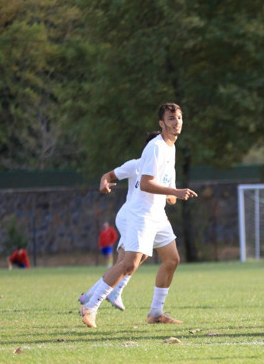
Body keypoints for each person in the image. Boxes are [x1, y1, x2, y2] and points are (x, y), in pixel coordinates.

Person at [78, 103, 198, 328]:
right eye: (171, 118)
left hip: (157, 216)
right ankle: (90, 307)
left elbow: (166, 189)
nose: (177, 122)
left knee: (172, 259)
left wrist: (174, 196)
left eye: (180, 117)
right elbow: (145, 184)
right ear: (161, 123)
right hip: (140, 214)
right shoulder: (155, 147)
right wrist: (175, 192)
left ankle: (155, 313)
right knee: (129, 264)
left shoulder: (171, 148)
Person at [86, 131, 161, 311]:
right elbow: (108, 175)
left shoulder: (163, 167)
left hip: (148, 217)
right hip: (132, 216)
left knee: (131, 261)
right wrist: (104, 183)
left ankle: (92, 294)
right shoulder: (135, 164)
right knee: (128, 263)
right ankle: (94, 303)